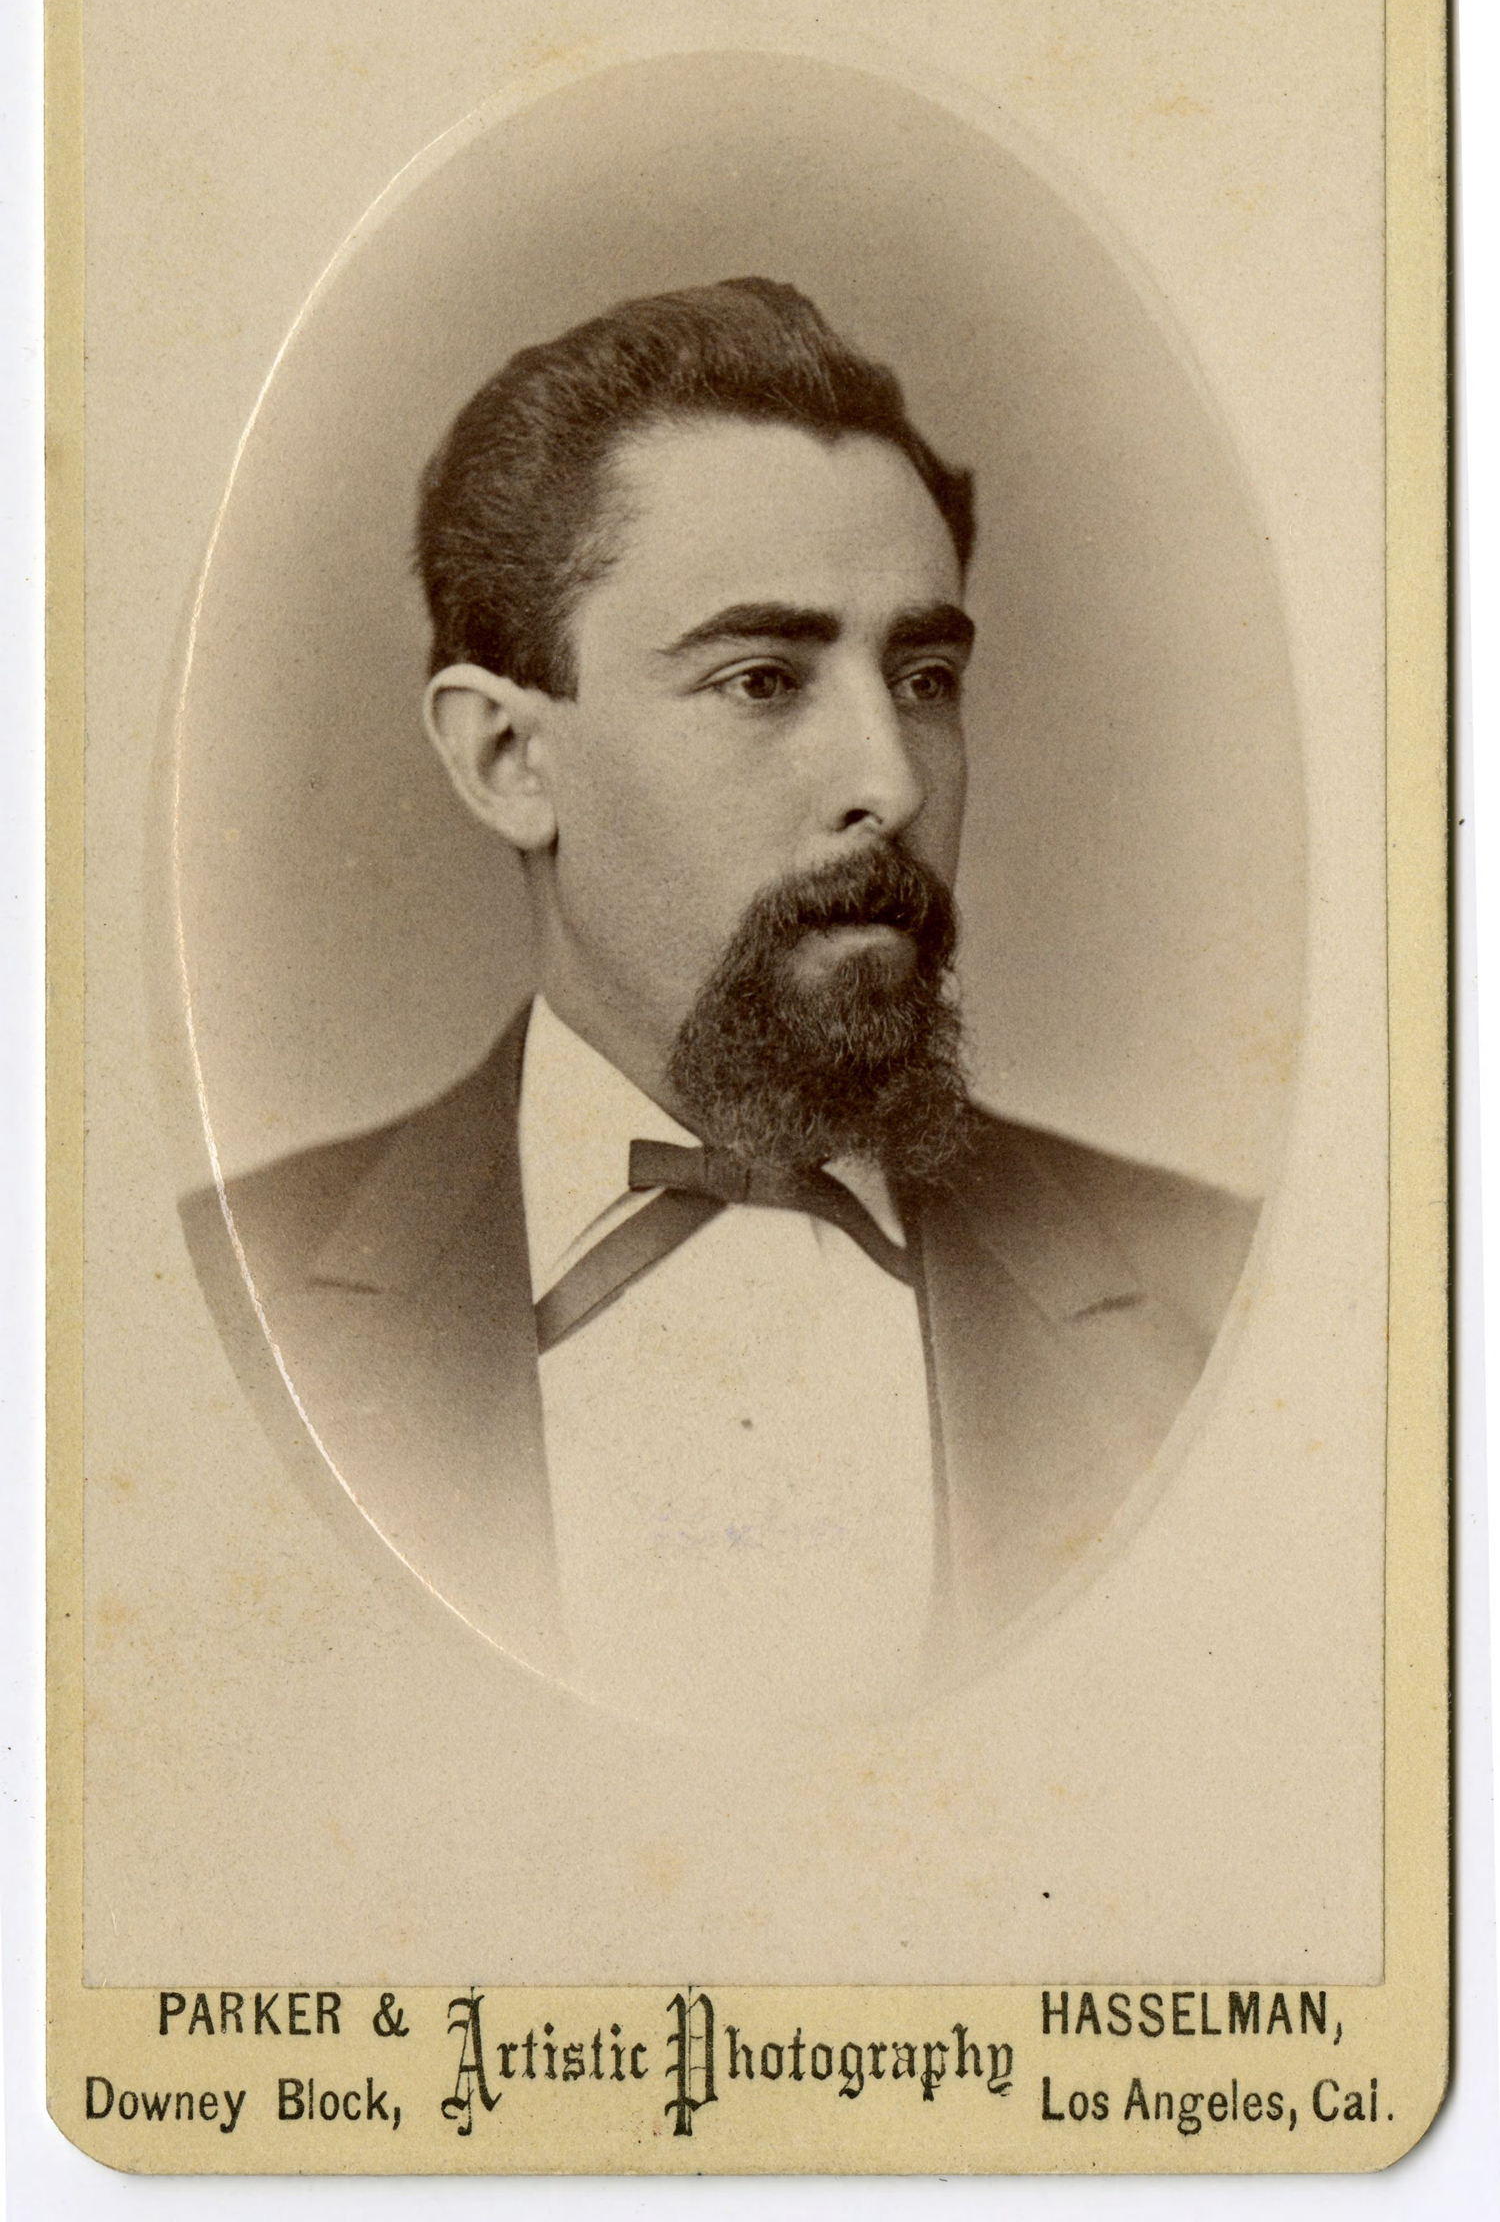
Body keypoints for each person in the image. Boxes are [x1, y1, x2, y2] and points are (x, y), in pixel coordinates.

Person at [183, 278, 1256, 1727]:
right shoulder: (209, 1317)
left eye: (926, 675)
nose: (890, 779)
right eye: (763, 679)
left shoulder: (1225, 1297)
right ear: (507, 756)